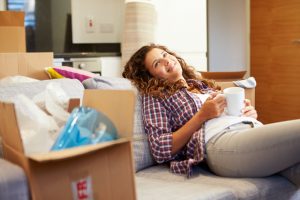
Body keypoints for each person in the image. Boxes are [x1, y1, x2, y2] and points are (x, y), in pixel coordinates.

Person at [122, 44, 300, 183]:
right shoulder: (156, 97)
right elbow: (160, 150)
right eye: (157, 63)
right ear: (150, 77)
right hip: (217, 143)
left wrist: (246, 113)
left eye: (164, 55)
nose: (166, 61)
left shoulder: (200, 85)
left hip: (245, 129)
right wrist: (201, 116)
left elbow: (225, 113)